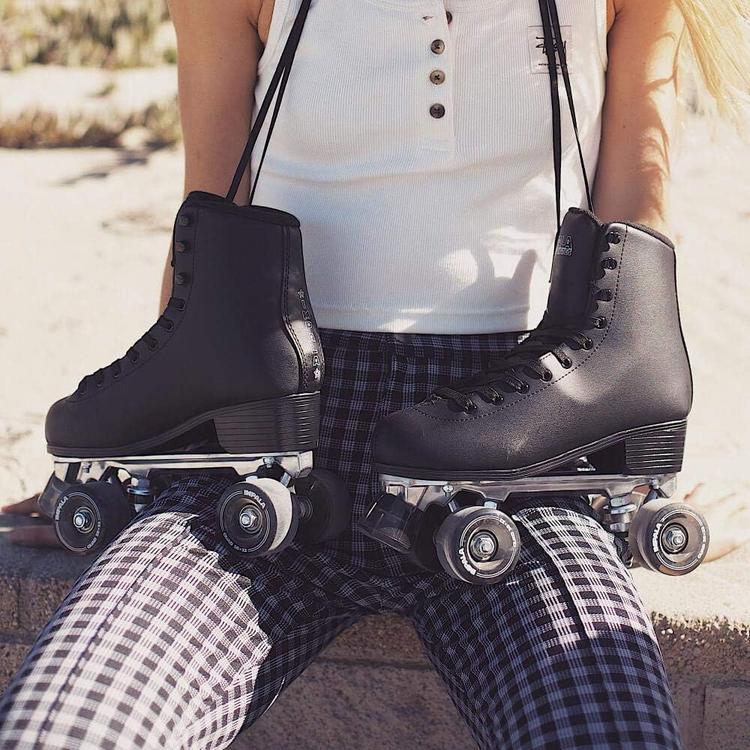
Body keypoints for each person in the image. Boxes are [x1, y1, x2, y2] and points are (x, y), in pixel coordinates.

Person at [0, 0, 747, 747]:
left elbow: (630, 271)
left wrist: (640, 492)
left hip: (519, 469)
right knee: (61, 732)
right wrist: (133, 465)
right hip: (263, 463)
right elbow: (209, 233)